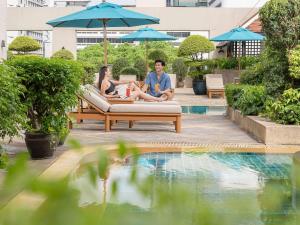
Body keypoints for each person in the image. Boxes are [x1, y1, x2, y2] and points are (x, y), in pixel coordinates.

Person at [98, 66, 164, 102]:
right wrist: (115, 96)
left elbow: (121, 82)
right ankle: (156, 99)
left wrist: (132, 80)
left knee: (132, 84)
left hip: (122, 94)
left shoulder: (109, 81)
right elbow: (103, 94)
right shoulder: (104, 82)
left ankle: (147, 98)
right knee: (138, 92)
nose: (110, 72)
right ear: (105, 72)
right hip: (121, 97)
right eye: (109, 71)